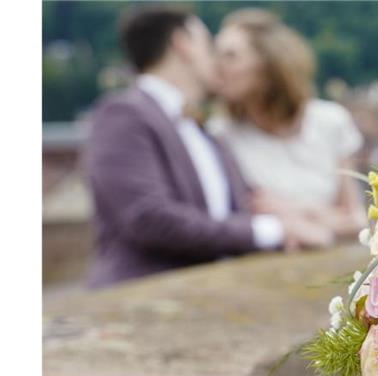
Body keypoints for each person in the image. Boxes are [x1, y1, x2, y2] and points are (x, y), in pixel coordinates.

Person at [84, 6, 330, 288]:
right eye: (209, 46)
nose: (216, 61)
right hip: (141, 303)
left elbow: (236, 208)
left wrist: (294, 215)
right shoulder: (124, 113)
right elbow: (148, 217)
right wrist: (272, 230)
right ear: (182, 44)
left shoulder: (203, 128)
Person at [210, 9, 367, 240]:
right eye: (216, 55)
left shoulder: (331, 122)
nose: (217, 67)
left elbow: (356, 221)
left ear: (268, 63)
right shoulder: (221, 135)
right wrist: (323, 219)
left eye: (231, 56)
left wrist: (295, 212)